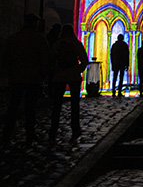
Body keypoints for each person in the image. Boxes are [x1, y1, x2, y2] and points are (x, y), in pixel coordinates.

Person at [2, 14, 51, 146]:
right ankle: (30, 134)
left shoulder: (14, 38)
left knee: (13, 106)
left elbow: (6, 57)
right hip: (33, 78)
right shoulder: (39, 39)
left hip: (17, 77)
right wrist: (43, 75)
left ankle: (7, 133)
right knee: (31, 108)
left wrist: (9, 73)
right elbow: (44, 58)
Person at [49, 24, 88, 142]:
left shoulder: (57, 44)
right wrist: (77, 70)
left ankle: (53, 129)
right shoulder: (76, 44)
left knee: (57, 104)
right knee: (75, 104)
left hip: (60, 76)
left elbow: (51, 60)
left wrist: (57, 71)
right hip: (74, 77)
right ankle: (75, 128)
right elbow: (84, 60)